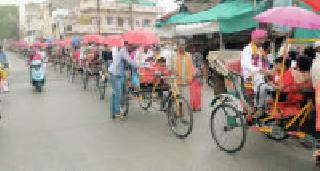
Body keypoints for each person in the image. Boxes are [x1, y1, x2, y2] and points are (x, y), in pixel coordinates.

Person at [241, 29, 270, 107]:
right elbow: (247, 65)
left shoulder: (260, 50)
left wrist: (267, 70)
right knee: (252, 100)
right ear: (255, 39)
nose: (262, 42)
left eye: (263, 39)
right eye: (261, 39)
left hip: (260, 77)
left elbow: (264, 63)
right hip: (250, 76)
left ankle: (261, 108)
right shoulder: (247, 49)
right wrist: (259, 70)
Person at [109, 41, 136, 119]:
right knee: (118, 94)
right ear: (127, 45)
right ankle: (117, 112)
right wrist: (139, 65)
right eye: (131, 46)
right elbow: (130, 61)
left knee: (115, 93)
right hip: (115, 75)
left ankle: (113, 112)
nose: (131, 47)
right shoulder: (123, 51)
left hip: (115, 74)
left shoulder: (123, 51)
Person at [189, 46, 203, 111]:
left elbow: (200, 67)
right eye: (191, 48)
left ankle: (196, 106)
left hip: (196, 77)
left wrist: (195, 72)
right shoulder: (190, 56)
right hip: (194, 77)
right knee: (194, 93)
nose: (192, 49)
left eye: (193, 48)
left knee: (196, 93)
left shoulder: (197, 55)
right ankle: (195, 106)